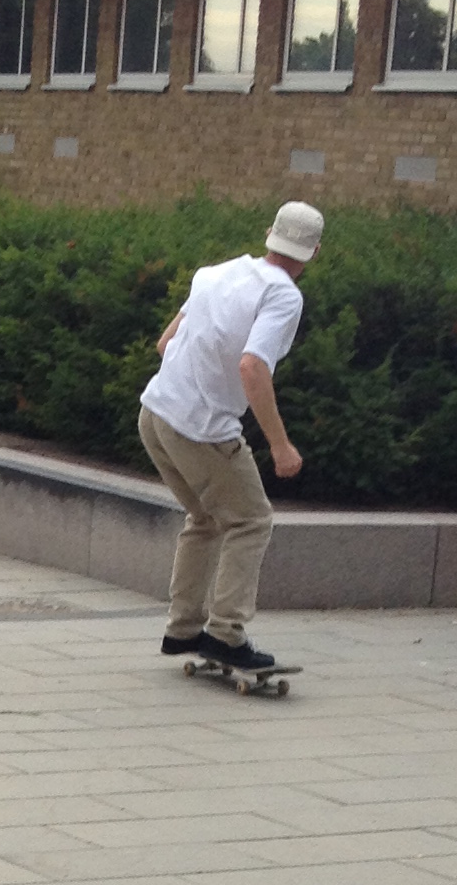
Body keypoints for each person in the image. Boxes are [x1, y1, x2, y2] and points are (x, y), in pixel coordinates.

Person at [137, 201, 322, 676]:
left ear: (268, 234)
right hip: (202, 431)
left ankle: (183, 628)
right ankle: (226, 633)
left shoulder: (213, 274)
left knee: (205, 518)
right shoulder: (284, 295)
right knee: (252, 521)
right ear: (314, 252)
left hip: (155, 415)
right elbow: (252, 365)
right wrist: (281, 446)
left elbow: (164, 344)